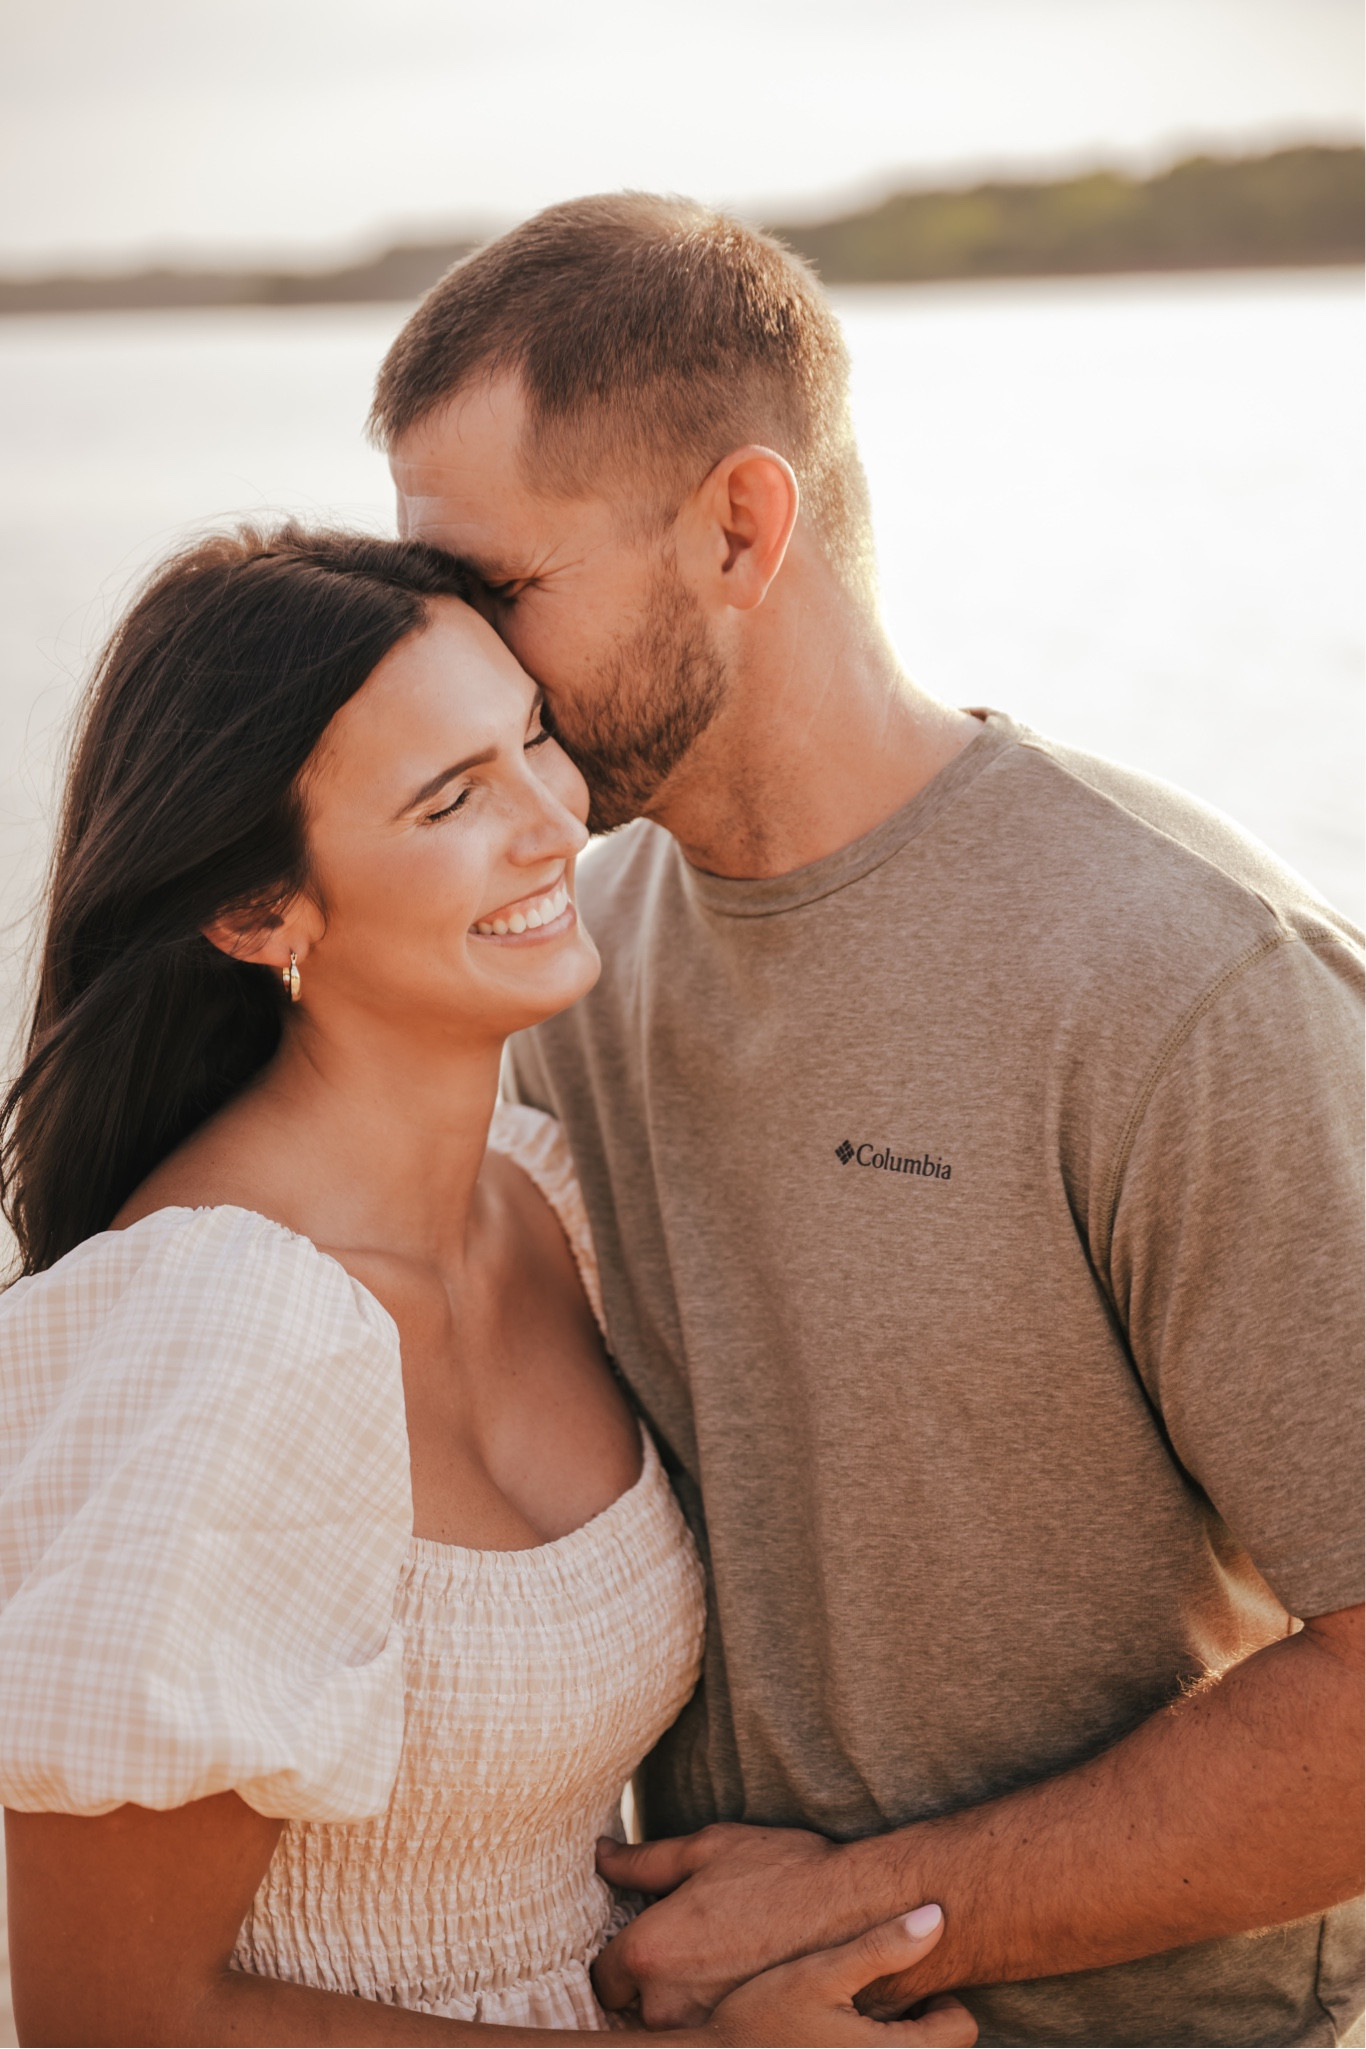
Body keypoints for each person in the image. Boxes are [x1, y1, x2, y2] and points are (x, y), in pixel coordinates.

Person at [373, 193, 1366, 2047]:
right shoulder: (556, 972)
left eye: (496, 591)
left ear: (744, 527)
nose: (462, 674)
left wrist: (871, 1913)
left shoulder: (1185, 982)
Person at [0, 524, 978, 2048]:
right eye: (453, 797)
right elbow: (111, 2017)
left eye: (531, 739)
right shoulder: (228, 1328)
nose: (557, 825)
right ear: (262, 913)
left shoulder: (548, 1198)